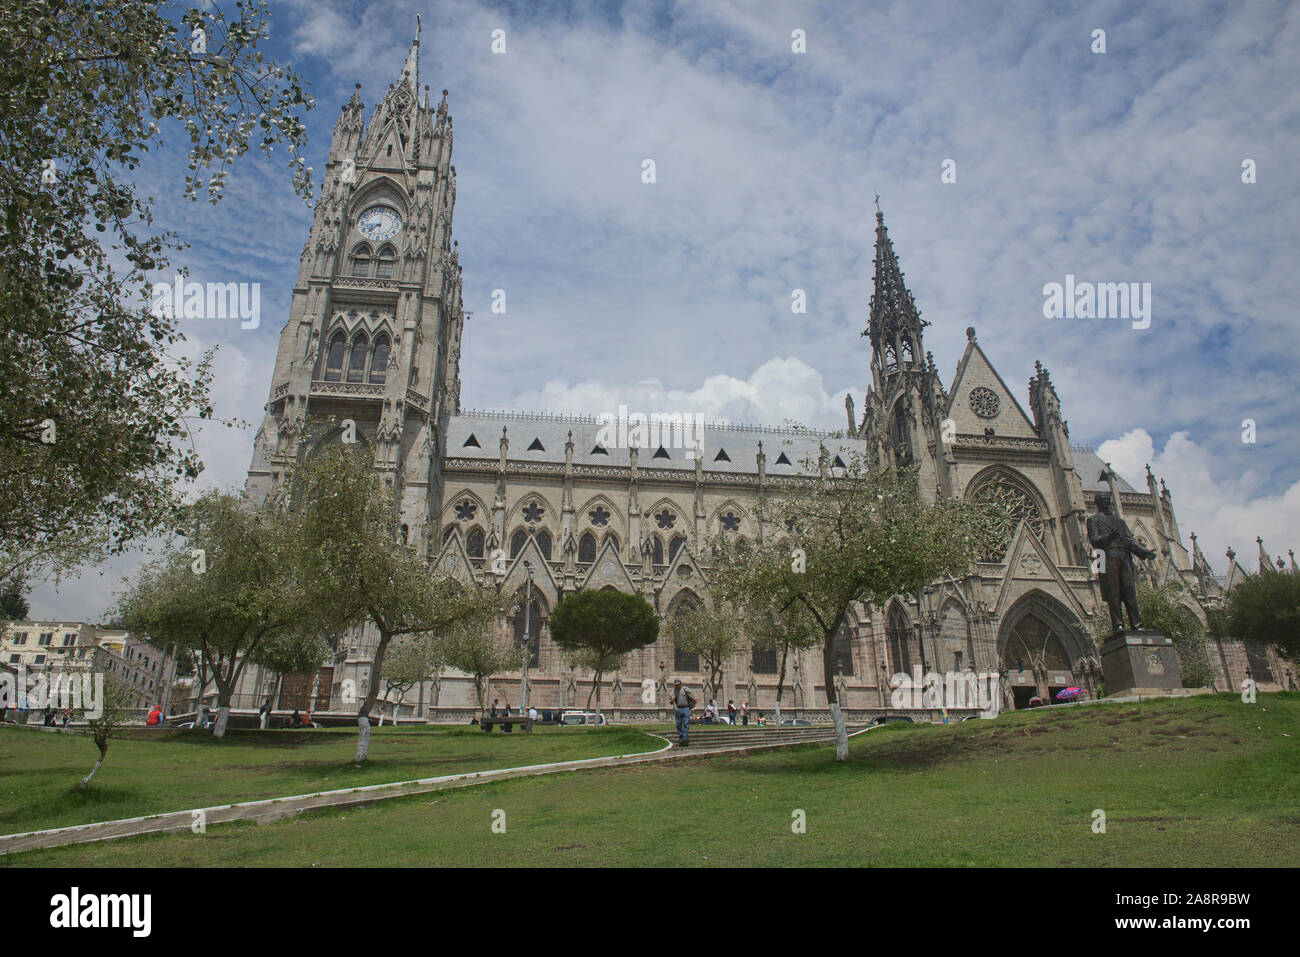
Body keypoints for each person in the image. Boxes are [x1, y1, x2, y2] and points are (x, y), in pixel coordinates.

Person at [671, 679, 696, 745]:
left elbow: (692, 697)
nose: (676, 686)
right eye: (675, 685)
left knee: (686, 723)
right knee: (678, 724)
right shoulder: (674, 691)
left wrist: (692, 703)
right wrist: (672, 701)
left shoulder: (685, 689)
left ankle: (685, 737)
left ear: (681, 684)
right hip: (678, 709)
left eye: (678, 684)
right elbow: (671, 701)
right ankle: (681, 736)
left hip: (686, 708)